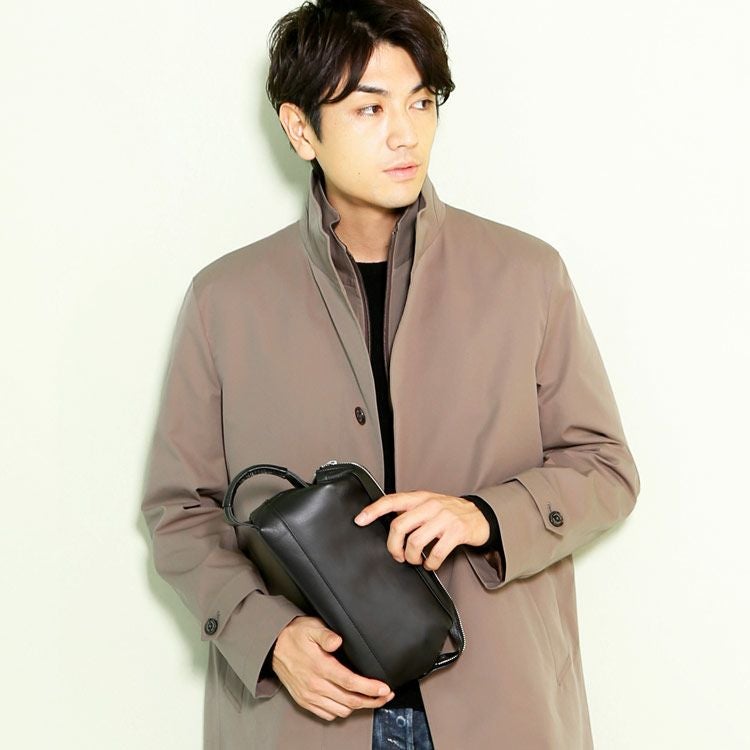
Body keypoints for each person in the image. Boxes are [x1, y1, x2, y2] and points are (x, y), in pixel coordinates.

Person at [141, 1, 641, 748]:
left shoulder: (527, 276)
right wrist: (266, 635)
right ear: (300, 128)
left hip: (499, 708)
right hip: (306, 719)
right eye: (369, 108)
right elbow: (179, 510)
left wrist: (485, 515)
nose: (406, 133)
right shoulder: (226, 299)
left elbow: (605, 468)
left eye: (421, 102)